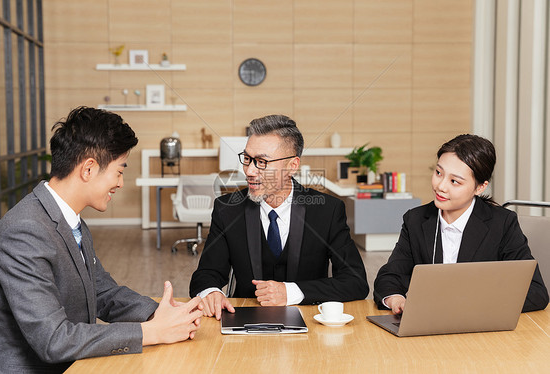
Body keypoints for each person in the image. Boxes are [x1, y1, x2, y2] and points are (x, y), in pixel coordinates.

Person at [0, 107, 203, 373]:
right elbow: (53, 340)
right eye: (119, 171)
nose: (120, 183)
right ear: (89, 169)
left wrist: (160, 313)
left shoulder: (69, 219)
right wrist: (150, 332)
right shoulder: (24, 232)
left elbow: (102, 292)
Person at [190, 114, 369, 319]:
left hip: (309, 326)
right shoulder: (227, 209)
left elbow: (355, 281)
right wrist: (211, 291)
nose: (249, 170)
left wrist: (291, 292)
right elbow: (205, 275)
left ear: (292, 165)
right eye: (247, 159)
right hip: (244, 324)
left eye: (262, 162)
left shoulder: (328, 210)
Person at [373, 134, 549, 314]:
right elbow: (389, 277)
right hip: (429, 327)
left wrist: (470, 305)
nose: (441, 186)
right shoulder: (415, 220)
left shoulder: (502, 223)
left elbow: (535, 291)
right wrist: (396, 298)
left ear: (480, 187)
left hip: (481, 329)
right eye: (438, 173)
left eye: (454, 181)